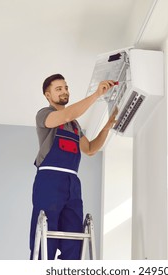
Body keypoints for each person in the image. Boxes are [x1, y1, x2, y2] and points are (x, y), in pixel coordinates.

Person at [29, 74, 117, 260]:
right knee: (47, 241)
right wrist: (96, 95)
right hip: (49, 182)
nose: (64, 91)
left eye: (66, 87)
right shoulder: (44, 115)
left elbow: (90, 149)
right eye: (59, 89)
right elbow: (68, 114)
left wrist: (107, 127)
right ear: (47, 95)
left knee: (74, 241)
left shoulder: (75, 125)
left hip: (72, 185)